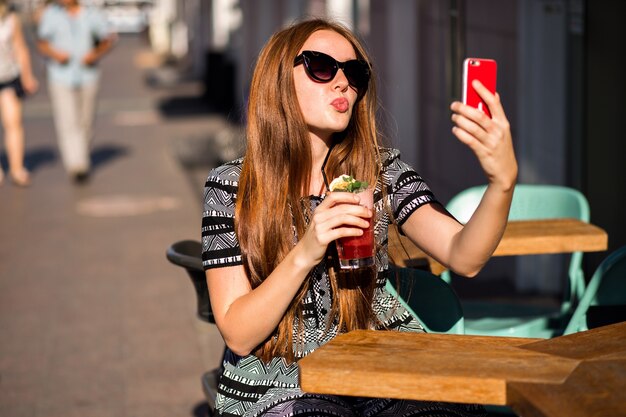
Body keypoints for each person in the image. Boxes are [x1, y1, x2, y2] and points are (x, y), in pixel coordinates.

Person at [201, 18, 517, 417]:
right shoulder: (232, 185)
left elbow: (464, 256)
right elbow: (239, 334)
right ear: (279, 79)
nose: (342, 83)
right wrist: (308, 249)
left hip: (384, 363)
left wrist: (502, 183)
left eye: (354, 73)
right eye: (321, 67)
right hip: (282, 380)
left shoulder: (381, 171)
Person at [36, 0, 115, 183]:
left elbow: (108, 39)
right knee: (67, 120)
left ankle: (82, 155)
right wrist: (56, 55)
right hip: (60, 76)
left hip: (88, 75)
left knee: (86, 121)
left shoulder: (91, 14)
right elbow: (42, 42)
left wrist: (94, 55)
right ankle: (77, 165)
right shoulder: (51, 14)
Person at [0, 0, 38, 187]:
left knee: (13, 122)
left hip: (7, 75)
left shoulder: (10, 19)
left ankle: (16, 168)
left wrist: (27, 75)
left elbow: (20, 47)